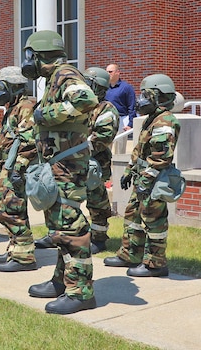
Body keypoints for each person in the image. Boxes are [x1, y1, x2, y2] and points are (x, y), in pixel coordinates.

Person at [21, 30, 98, 314]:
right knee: (59, 227)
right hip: (59, 165)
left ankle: (81, 292)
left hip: (68, 165)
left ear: (40, 56)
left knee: (70, 226)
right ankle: (63, 281)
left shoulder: (65, 74)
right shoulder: (53, 79)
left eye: (31, 56)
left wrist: (47, 114)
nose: (28, 61)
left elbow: (86, 100)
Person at [104, 74, 180, 277]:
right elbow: (139, 150)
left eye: (147, 94)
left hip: (154, 179)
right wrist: (129, 171)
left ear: (160, 96)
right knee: (132, 216)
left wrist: (146, 180)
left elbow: (160, 157)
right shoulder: (152, 119)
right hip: (142, 177)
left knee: (153, 220)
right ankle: (130, 254)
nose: (141, 99)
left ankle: (156, 264)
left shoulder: (165, 122)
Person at [0, 66, 38, 272]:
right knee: (8, 210)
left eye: (1, 86)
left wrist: (19, 169)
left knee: (12, 210)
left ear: (14, 87)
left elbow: (29, 141)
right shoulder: (14, 107)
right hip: (7, 167)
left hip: (16, 169)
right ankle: (15, 248)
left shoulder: (26, 107)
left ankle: (24, 257)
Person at [82, 67, 120, 254]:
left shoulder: (106, 109)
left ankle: (99, 238)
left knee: (96, 201)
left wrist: (78, 148)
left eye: (89, 83)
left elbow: (103, 136)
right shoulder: (81, 106)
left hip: (95, 164)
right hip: (75, 162)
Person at [105, 64, 136, 154]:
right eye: (106, 72)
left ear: (118, 72)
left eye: (110, 72)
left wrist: (130, 124)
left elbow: (132, 107)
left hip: (121, 121)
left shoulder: (126, 88)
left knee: (120, 151)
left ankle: (118, 168)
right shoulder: (104, 87)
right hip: (107, 121)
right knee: (105, 150)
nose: (108, 74)